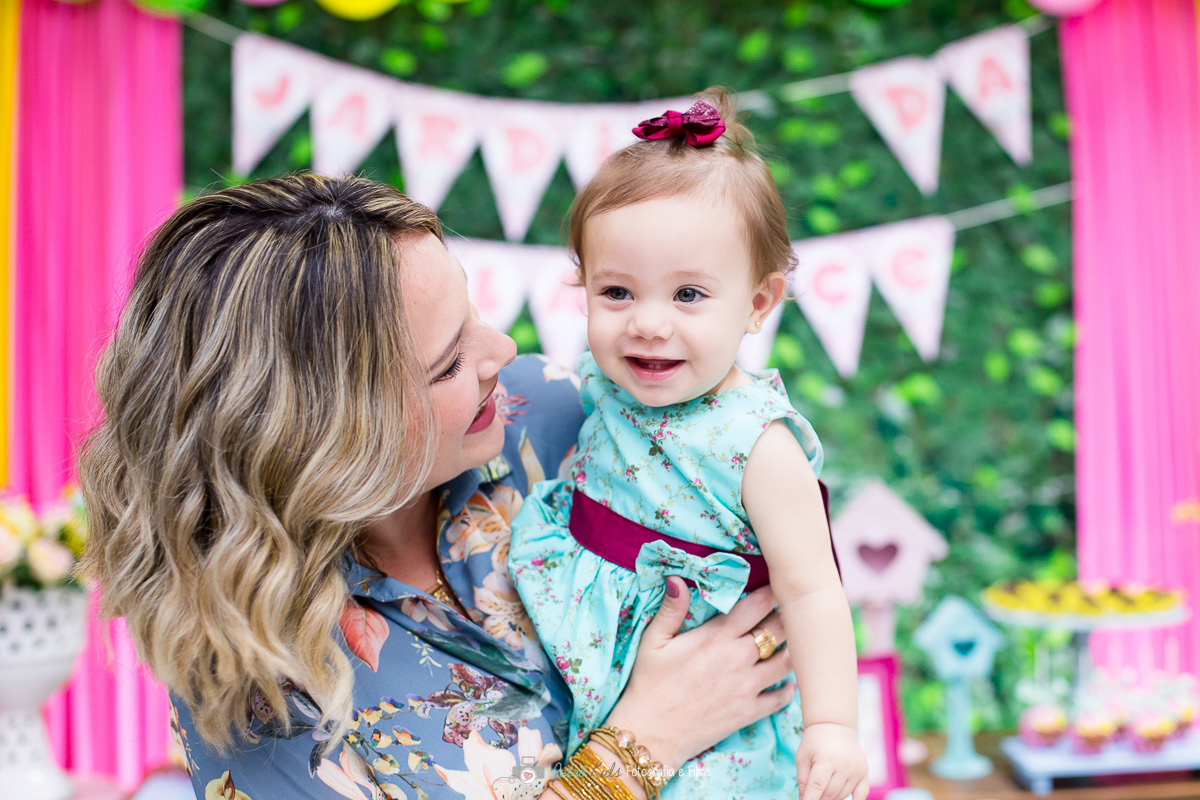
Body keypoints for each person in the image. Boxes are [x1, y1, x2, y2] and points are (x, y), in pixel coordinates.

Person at [78, 173, 802, 800]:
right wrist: (643, 743)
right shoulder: (250, 682)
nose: (504, 350)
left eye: (473, 315)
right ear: (331, 437)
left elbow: (769, 579)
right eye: (450, 362)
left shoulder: (546, 417)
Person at [508, 90, 870, 800]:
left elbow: (813, 589)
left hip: (712, 727)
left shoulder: (758, 445)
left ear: (759, 302)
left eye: (688, 296)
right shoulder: (606, 385)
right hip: (590, 666)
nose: (646, 324)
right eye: (616, 292)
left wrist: (833, 726)